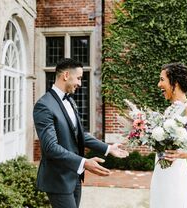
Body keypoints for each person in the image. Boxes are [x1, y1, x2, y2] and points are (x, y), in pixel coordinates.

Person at [33, 58, 129, 208]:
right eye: (78, 78)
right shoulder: (44, 106)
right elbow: (50, 147)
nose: (79, 83)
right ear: (66, 75)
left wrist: (108, 148)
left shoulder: (70, 101)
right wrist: (84, 162)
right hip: (58, 178)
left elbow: (80, 135)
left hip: (75, 176)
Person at [150, 63, 187, 208]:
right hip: (161, 173)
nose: (158, 84)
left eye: (162, 80)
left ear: (175, 83)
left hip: (175, 177)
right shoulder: (168, 110)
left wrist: (178, 154)